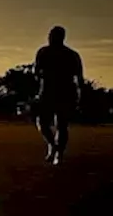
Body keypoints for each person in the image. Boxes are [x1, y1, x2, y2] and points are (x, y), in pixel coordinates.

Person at [33, 25, 84, 165]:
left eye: (52, 35)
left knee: (62, 124)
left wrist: (81, 94)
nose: (49, 37)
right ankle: (53, 145)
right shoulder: (43, 52)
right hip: (47, 92)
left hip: (65, 92)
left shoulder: (71, 55)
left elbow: (79, 76)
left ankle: (59, 154)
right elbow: (36, 72)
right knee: (42, 122)